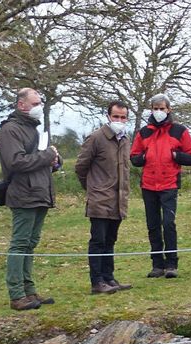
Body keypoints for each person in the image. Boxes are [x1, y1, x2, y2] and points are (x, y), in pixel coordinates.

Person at [0, 88, 60, 311]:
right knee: (20, 244)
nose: (39, 107)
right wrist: (46, 156)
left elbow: (37, 162)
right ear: (21, 105)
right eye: (35, 103)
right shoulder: (10, 130)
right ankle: (16, 294)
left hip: (40, 193)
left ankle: (29, 290)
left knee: (30, 243)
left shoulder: (33, 130)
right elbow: (16, 162)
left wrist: (54, 162)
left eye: (40, 102)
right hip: (24, 194)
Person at [130, 94, 191, 278]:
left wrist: (176, 156)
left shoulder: (179, 131)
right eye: (155, 108)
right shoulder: (144, 132)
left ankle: (171, 264)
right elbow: (134, 157)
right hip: (149, 185)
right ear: (151, 110)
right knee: (153, 225)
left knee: (168, 223)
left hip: (169, 184)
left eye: (162, 108)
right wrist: (143, 157)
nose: (158, 111)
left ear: (168, 110)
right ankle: (157, 264)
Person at [75, 100, 134, 295]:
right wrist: (93, 188)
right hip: (100, 200)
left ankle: (109, 277)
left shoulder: (125, 139)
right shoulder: (96, 138)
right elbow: (81, 167)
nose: (119, 120)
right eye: (115, 116)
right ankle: (97, 281)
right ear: (108, 116)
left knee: (110, 240)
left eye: (122, 117)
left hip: (118, 200)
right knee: (98, 240)